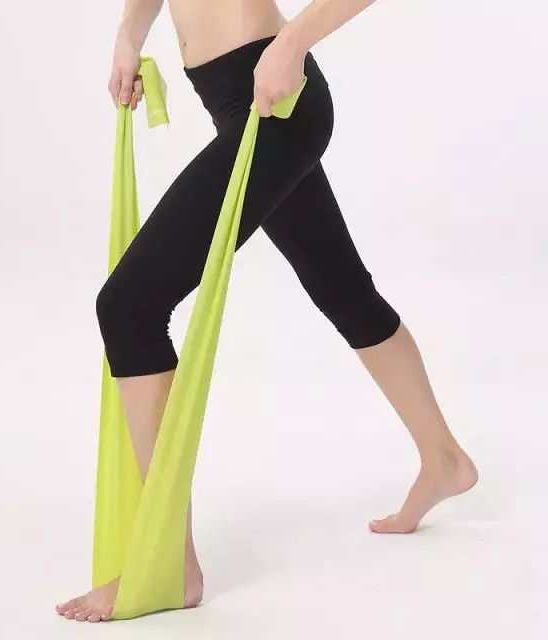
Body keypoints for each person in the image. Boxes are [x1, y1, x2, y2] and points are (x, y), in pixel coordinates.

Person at [56, 0, 478, 623]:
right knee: (344, 291)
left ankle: (170, 561)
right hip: (237, 99)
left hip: (276, 95)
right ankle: (444, 459)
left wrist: (293, 42)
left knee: (129, 305)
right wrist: (128, 35)